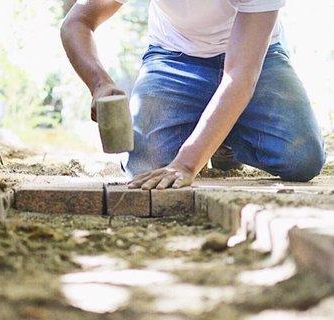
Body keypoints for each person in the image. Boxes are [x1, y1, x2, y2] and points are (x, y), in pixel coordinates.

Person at [61, 0, 325, 190]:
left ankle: (223, 139)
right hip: (172, 59)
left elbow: (241, 75)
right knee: (145, 168)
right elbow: (77, 22)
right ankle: (213, 130)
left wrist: (186, 164)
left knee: (303, 159)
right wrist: (99, 84)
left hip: (257, 60)